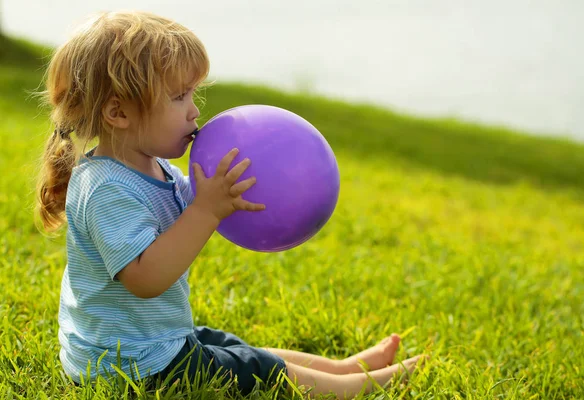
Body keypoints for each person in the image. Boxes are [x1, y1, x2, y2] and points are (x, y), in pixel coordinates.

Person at [35, 10, 426, 397]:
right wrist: (204, 211)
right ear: (118, 112)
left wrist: (229, 194)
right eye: (178, 97)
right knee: (252, 368)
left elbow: (185, 208)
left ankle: (341, 369)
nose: (194, 110)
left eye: (192, 94)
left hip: (142, 343)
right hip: (128, 366)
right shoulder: (107, 188)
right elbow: (145, 279)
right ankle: (357, 387)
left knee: (228, 345)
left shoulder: (155, 169)